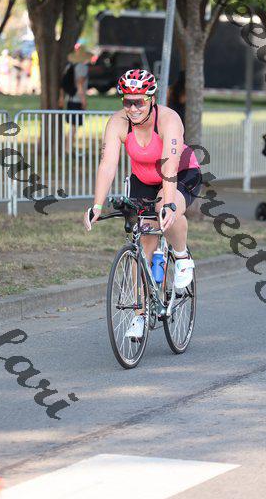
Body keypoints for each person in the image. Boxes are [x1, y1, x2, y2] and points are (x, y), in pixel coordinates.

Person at [83, 69, 202, 339]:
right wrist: (97, 206)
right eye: (127, 101)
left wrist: (168, 204)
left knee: (163, 210)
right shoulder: (118, 122)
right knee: (142, 244)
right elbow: (108, 164)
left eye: (139, 102)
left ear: (152, 99)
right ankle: (139, 315)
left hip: (181, 173)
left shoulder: (169, 119)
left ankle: (181, 257)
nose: (133, 108)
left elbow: (169, 166)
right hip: (144, 179)